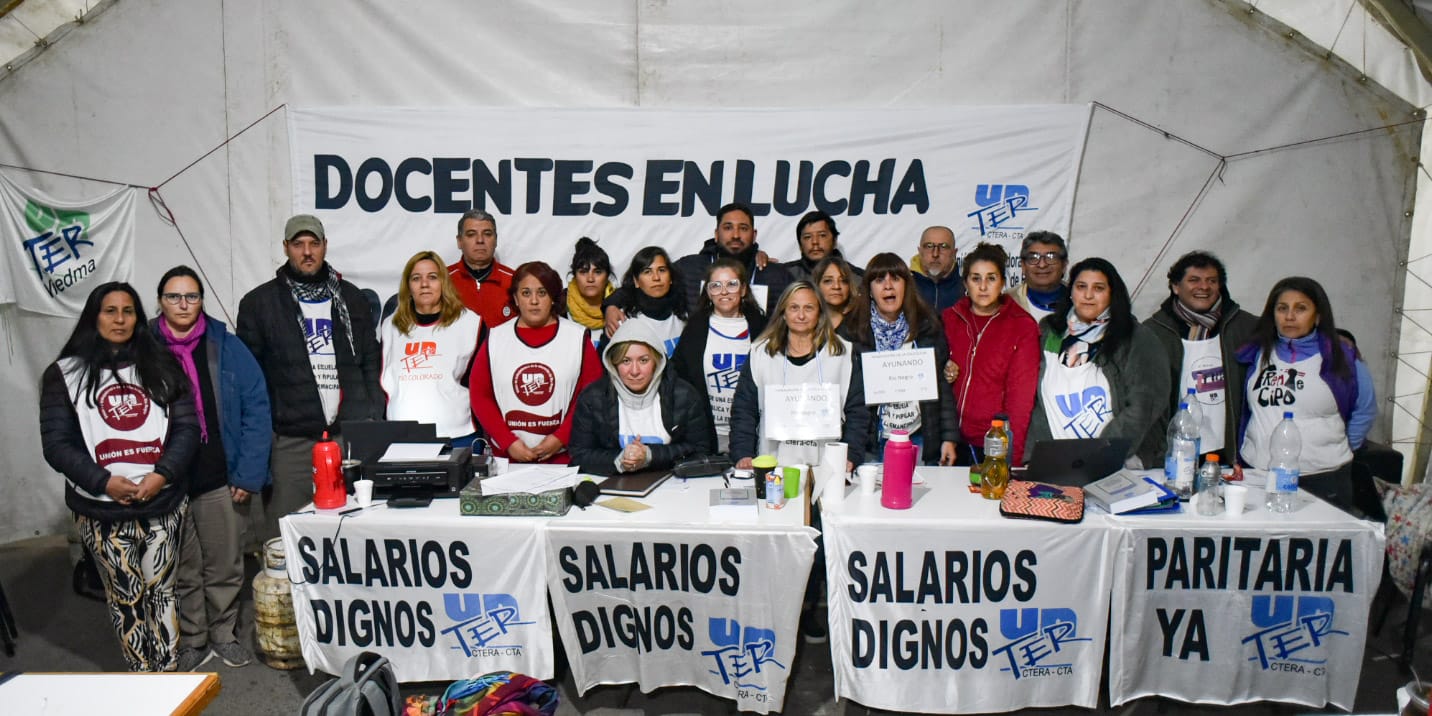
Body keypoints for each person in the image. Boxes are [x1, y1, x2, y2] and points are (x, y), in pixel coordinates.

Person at [40, 282, 199, 671]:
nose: (120, 319)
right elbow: (57, 444)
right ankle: (140, 676)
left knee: (162, 591)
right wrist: (103, 482)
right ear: (94, 316)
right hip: (102, 511)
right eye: (110, 310)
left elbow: (187, 429)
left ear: (137, 317)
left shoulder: (161, 364)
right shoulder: (65, 374)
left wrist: (162, 476)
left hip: (161, 502)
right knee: (126, 596)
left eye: (128, 311)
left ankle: (168, 675)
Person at [237, 214, 383, 541]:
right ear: (286, 248)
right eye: (298, 244)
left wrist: (372, 414)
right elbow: (251, 383)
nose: (307, 252)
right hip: (292, 443)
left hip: (349, 438)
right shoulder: (259, 304)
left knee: (353, 532)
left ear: (325, 247)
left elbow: (370, 361)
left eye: (314, 243)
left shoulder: (352, 298)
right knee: (286, 535)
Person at [153, 267, 271, 672]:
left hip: (220, 473)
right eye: (174, 297)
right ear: (160, 302)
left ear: (201, 300)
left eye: (191, 296)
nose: (183, 305)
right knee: (183, 568)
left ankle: (223, 633)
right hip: (167, 480)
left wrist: (248, 474)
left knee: (224, 563)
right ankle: (193, 639)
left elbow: (257, 408)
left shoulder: (226, 346)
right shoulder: (145, 348)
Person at [1236, 277, 1376, 509]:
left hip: (1322, 478)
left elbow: (1365, 411)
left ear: (1318, 315)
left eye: (1301, 308)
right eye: (1282, 308)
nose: (1290, 316)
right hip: (1260, 474)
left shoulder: (1342, 357)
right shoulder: (1255, 353)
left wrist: (1336, 448)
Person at [1025, 258, 1170, 468]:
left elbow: (1144, 404)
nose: (1088, 295)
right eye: (1081, 286)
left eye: (1098, 288)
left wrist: (1101, 455)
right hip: (1059, 463)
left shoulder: (1136, 337)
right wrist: (1034, 455)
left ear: (1112, 293)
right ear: (1071, 291)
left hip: (1118, 463)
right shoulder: (1050, 332)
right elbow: (1036, 401)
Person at [470, 261, 602, 464]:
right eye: (526, 293)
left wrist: (560, 438)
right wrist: (508, 442)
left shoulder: (576, 338)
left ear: (552, 297)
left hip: (564, 459)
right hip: (507, 461)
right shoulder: (496, 338)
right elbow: (480, 396)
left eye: (542, 293)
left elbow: (591, 396)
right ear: (515, 298)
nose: (534, 301)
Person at [730, 282, 868, 469]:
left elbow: (857, 412)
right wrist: (743, 453)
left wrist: (851, 455)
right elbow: (744, 409)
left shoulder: (842, 354)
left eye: (808, 308)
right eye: (794, 308)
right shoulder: (760, 353)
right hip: (772, 466)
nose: (801, 315)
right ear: (783, 313)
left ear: (819, 312)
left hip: (827, 468)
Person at [838, 253, 959, 466]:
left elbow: (941, 386)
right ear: (869, 291)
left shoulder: (927, 326)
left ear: (906, 285)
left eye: (895, 278)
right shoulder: (851, 331)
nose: (888, 286)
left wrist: (949, 437)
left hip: (918, 436)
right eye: (879, 280)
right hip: (871, 441)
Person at [1143, 251, 1258, 464]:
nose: (1204, 287)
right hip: (1175, 452)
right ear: (1175, 287)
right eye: (1194, 280)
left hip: (1232, 452)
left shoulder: (1247, 328)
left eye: (1211, 281)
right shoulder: (1151, 332)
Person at [604, 202, 793, 332]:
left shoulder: (774, 275)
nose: (735, 234)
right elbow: (648, 283)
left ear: (754, 235)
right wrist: (611, 305)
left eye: (743, 228)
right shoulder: (691, 268)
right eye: (728, 227)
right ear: (716, 234)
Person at [569, 321, 715, 475]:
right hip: (612, 487)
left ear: (657, 362)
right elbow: (579, 454)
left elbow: (701, 451)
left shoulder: (684, 395)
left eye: (643, 360)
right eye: (626, 361)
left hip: (674, 487)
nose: (634, 371)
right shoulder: (593, 397)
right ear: (613, 363)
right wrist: (618, 459)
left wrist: (650, 455)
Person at [942, 243, 1040, 466]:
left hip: (993, 441)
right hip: (949, 439)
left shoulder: (1022, 326)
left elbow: (1021, 400)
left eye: (991, 278)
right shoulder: (949, 318)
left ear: (1003, 283)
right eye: (976, 278)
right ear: (965, 282)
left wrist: (1012, 459)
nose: (983, 286)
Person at [379, 251, 486, 447]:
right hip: (402, 438)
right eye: (416, 278)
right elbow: (385, 383)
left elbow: (483, 387)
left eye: (432, 277)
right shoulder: (391, 326)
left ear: (443, 283)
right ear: (408, 286)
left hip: (458, 437)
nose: (425, 284)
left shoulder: (470, 324)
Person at [669, 259, 767, 454]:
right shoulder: (695, 328)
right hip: (706, 435)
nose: (724, 291)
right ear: (708, 292)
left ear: (744, 289)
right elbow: (680, 378)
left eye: (732, 284)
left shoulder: (762, 327)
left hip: (750, 435)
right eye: (716, 286)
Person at [602, 246, 687, 357]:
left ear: (670, 278)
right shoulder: (622, 319)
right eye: (647, 272)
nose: (656, 277)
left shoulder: (684, 310)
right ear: (636, 281)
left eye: (661, 270)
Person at [448, 209, 516, 327]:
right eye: (471, 234)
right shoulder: (441, 280)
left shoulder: (515, 281)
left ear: (495, 240)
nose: (480, 240)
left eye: (487, 234)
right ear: (459, 241)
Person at [1008, 231, 1070, 323]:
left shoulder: (1081, 299)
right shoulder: (1006, 302)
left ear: (1064, 265)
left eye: (1051, 257)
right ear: (1023, 266)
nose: (1042, 265)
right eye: (1034, 258)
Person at [782, 211, 862, 283]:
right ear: (800, 245)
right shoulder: (783, 274)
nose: (815, 242)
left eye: (822, 235)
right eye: (808, 237)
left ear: (834, 241)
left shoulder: (857, 277)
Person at [562, 236, 614, 346]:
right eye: (583, 272)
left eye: (598, 272)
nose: (590, 279)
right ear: (574, 276)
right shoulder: (559, 307)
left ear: (607, 276)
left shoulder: (621, 307)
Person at [909, 225, 964, 314]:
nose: (935, 254)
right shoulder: (904, 286)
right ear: (920, 251)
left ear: (954, 253)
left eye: (943, 246)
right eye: (929, 246)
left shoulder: (968, 287)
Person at [811, 255, 858, 330]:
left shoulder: (862, 324)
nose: (836, 286)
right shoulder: (806, 323)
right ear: (817, 285)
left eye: (843, 281)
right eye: (828, 281)